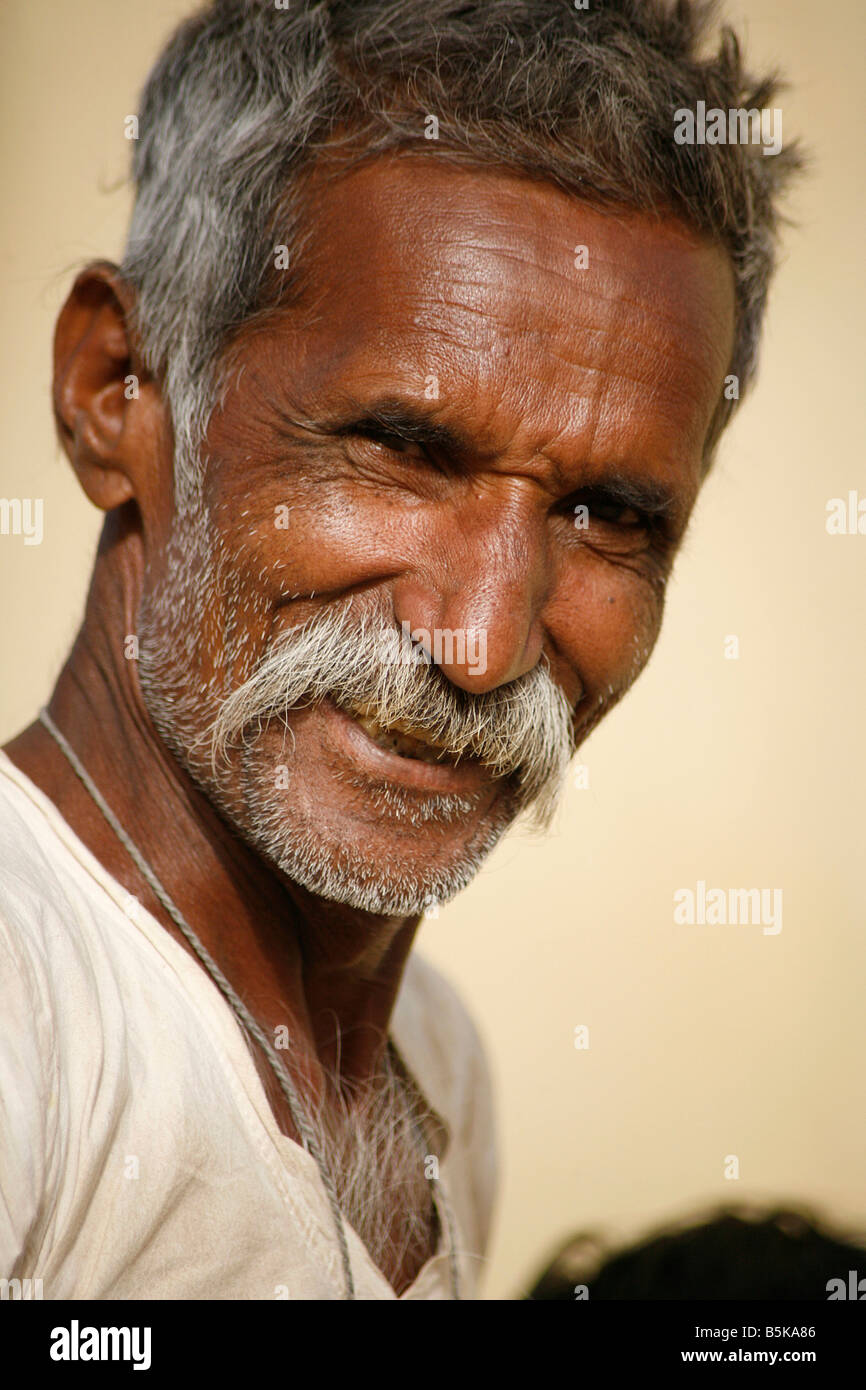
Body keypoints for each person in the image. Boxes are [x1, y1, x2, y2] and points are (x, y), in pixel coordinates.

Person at [0, 0, 800, 1300]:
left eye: (608, 515)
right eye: (402, 450)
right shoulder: (27, 1017)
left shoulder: (435, 1067)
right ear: (119, 391)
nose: (481, 642)